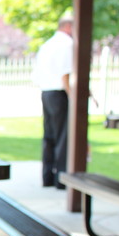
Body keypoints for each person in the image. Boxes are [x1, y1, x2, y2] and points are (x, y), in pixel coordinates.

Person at [33, 16, 74, 190]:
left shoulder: (47, 44)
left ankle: (47, 176)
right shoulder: (66, 44)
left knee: (49, 137)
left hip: (46, 93)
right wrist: (73, 97)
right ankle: (61, 179)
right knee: (62, 138)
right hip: (59, 93)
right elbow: (65, 74)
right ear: (68, 27)